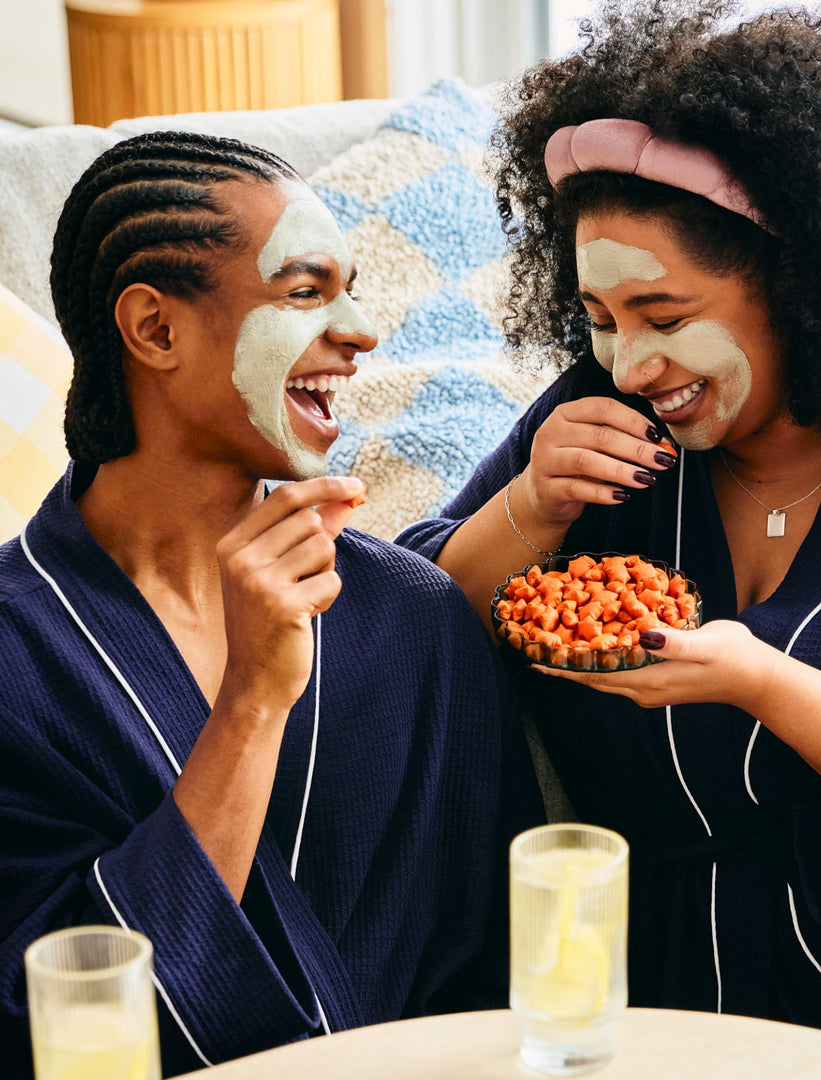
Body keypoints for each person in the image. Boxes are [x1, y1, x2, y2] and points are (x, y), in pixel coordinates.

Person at [396, 3, 821, 1077]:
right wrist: (526, 509)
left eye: (665, 316)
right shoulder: (589, 431)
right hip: (664, 993)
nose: (628, 364)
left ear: (804, 282)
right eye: (600, 319)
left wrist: (766, 684)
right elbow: (399, 641)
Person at [0, 131, 540, 1078]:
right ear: (155, 330)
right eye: (304, 292)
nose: (363, 332)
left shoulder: (414, 619)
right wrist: (251, 701)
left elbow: (506, 975)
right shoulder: (15, 650)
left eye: (351, 290)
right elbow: (38, 1017)